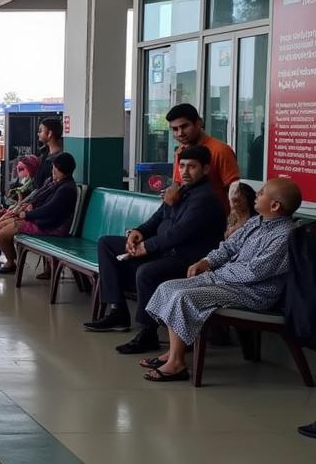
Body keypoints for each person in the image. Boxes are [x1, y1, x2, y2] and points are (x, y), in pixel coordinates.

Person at [141, 178, 302, 382]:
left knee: (183, 296)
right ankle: (174, 352)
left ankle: (176, 363)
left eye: (262, 192)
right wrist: (206, 261)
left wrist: (217, 274)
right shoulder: (257, 221)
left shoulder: (284, 235)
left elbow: (255, 272)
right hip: (226, 281)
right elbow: (229, 246)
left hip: (253, 293)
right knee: (167, 287)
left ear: (275, 205)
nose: (256, 194)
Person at [83, 144, 227, 353]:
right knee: (107, 244)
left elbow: (179, 233)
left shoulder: (205, 198)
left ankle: (147, 332)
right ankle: (118, 310)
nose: (185, 171)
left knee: (147, 272)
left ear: (205, 169)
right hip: (165, 251)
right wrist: (138, 232)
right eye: (183, 166)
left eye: (192, 167)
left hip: (188, 260)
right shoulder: (179, 192)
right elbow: (158, 218)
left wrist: (145, 247)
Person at [0, 152, 78, 274]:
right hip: (41, 221)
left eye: (55, 168)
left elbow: (48, 209)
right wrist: (30, 205)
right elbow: (39, 196)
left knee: (1, 235)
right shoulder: (56, 183)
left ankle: (11, 262)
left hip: (51, 227)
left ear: (61, 170)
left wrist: (26, 215)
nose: (52, 170)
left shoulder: (66, 189)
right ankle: (13, 260)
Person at [166, 103, 239, 212]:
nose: (180, 133)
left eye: (184, 126)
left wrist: (234, 224)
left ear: (199, 123)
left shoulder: (221, 150)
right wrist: (171, 192)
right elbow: (178, 183)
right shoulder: (181, 151)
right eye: (175, 129)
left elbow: (235, 191)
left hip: (216, 220)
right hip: (187, 216)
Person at [33, 119, 64, 189]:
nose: (38, 134)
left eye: (40, 131)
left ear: (50, 133)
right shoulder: (44, 154)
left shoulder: (60, 158)